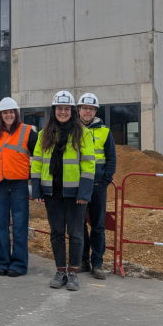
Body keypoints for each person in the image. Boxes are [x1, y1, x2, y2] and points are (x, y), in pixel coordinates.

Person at [31, 91, 95, 291]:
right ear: (54, 110)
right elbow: (37, 163)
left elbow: (88, 165)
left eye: (67, 109)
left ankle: (73, 272)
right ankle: (60, 271)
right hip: (52, 193)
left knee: (76, 233)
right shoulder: (44, 134)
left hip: (75, 193)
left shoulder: (82, 133)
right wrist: (37, 190)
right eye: (59, 108)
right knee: (57, 233)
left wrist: (84, 193)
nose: (63, 112)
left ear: (72, 111)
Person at [0, 98, 37, 277]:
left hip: (19, 184)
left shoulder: (28, 131)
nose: (8, 115)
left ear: (16, 113)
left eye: (11, 112)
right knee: (0, 225)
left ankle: (18, 264)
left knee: (19, 225)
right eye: (5, 112)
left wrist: (31, 175)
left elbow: (38, 158)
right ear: (0, 115)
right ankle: (2, 262)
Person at [77, 93, 116, 280]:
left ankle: (97, 263)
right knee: (79, 225)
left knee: (98, 225)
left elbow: (111, 158)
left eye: (91, 109)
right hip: (78, 185)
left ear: (95, 111)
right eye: (85, 108)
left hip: (98, 185)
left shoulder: (105, 132)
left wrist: (105, 180)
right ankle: (83, 261)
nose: (88, 112)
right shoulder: (72, 130)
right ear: (79, 110)